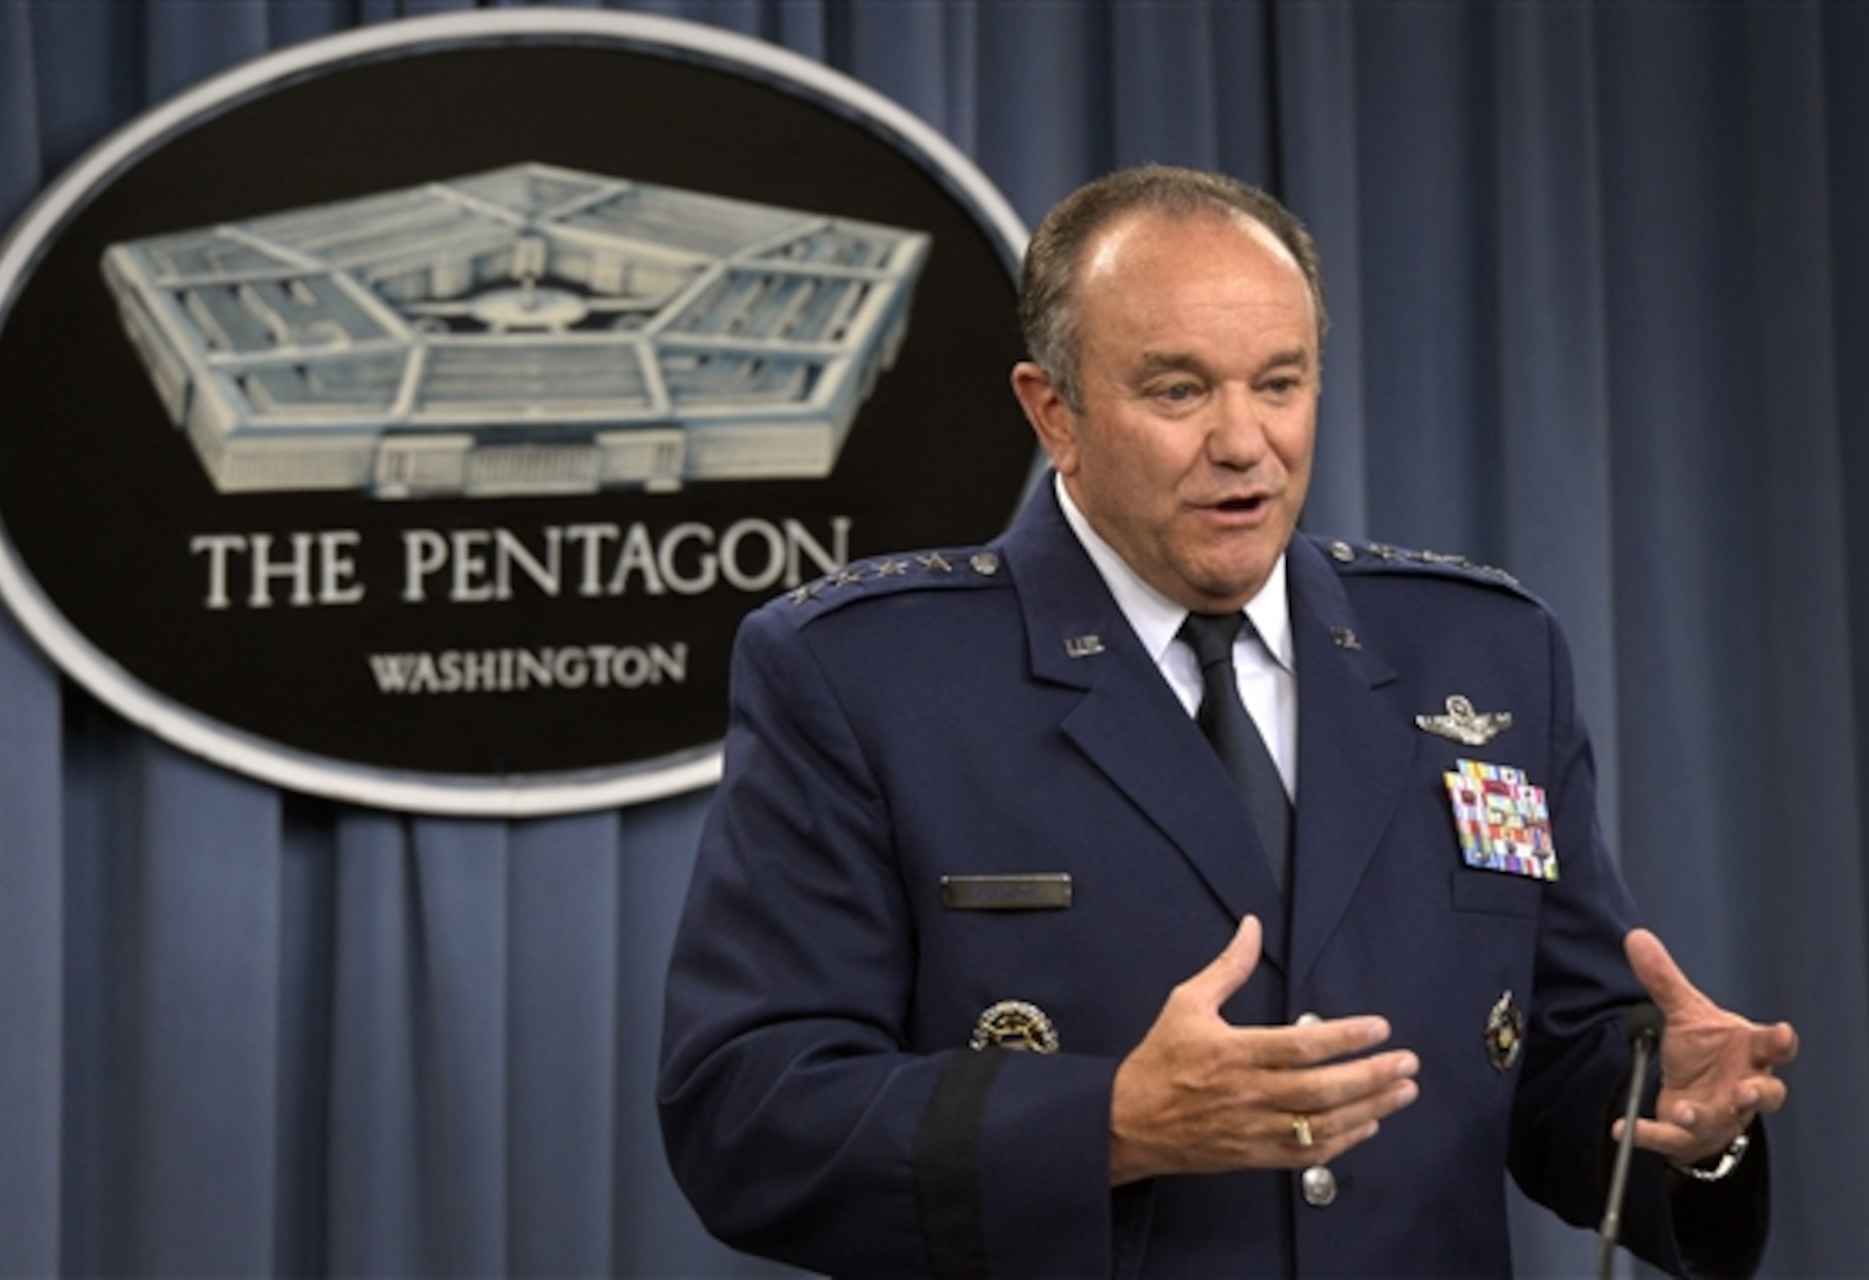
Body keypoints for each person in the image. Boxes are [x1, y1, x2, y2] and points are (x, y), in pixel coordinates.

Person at [657, 165, 1796, 1278]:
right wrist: (1107, 1122)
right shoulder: (866, 675)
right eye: (1177, 390)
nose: (1243, 440)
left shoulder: (1482, 651)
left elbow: (1545, 1061)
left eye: (1279, 381)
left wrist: (1679, 1117)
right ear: (1052, 410)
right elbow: (748, 1110)